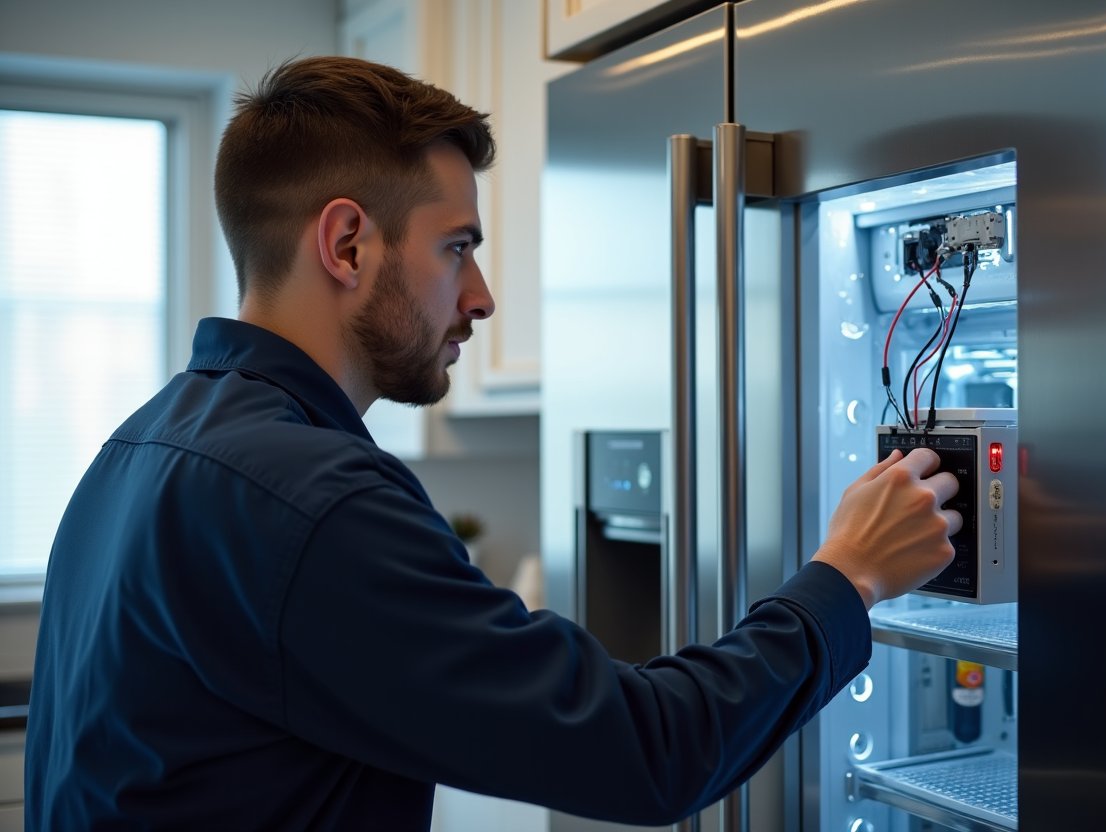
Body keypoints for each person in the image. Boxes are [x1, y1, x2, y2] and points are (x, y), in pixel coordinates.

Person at [25, 57, 961, 830]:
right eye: (456, 248)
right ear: (347, 244)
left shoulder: (136, 450)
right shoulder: (315, 503)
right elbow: (649, 751)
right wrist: (849, 578)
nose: (480, 296)